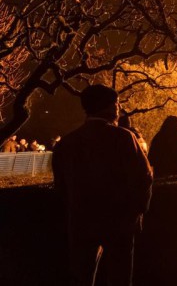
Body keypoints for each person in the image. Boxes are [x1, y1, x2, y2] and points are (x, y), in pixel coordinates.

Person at [52, 84, 153, 286]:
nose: (119, 108)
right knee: (120, 276)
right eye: (117, 103)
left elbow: (61, 186)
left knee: (83, 276)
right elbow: (144, 176)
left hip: (82, 221)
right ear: (109, 107)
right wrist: (139, 210)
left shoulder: (67, 143)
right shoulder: (124, 138)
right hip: (119, 220)